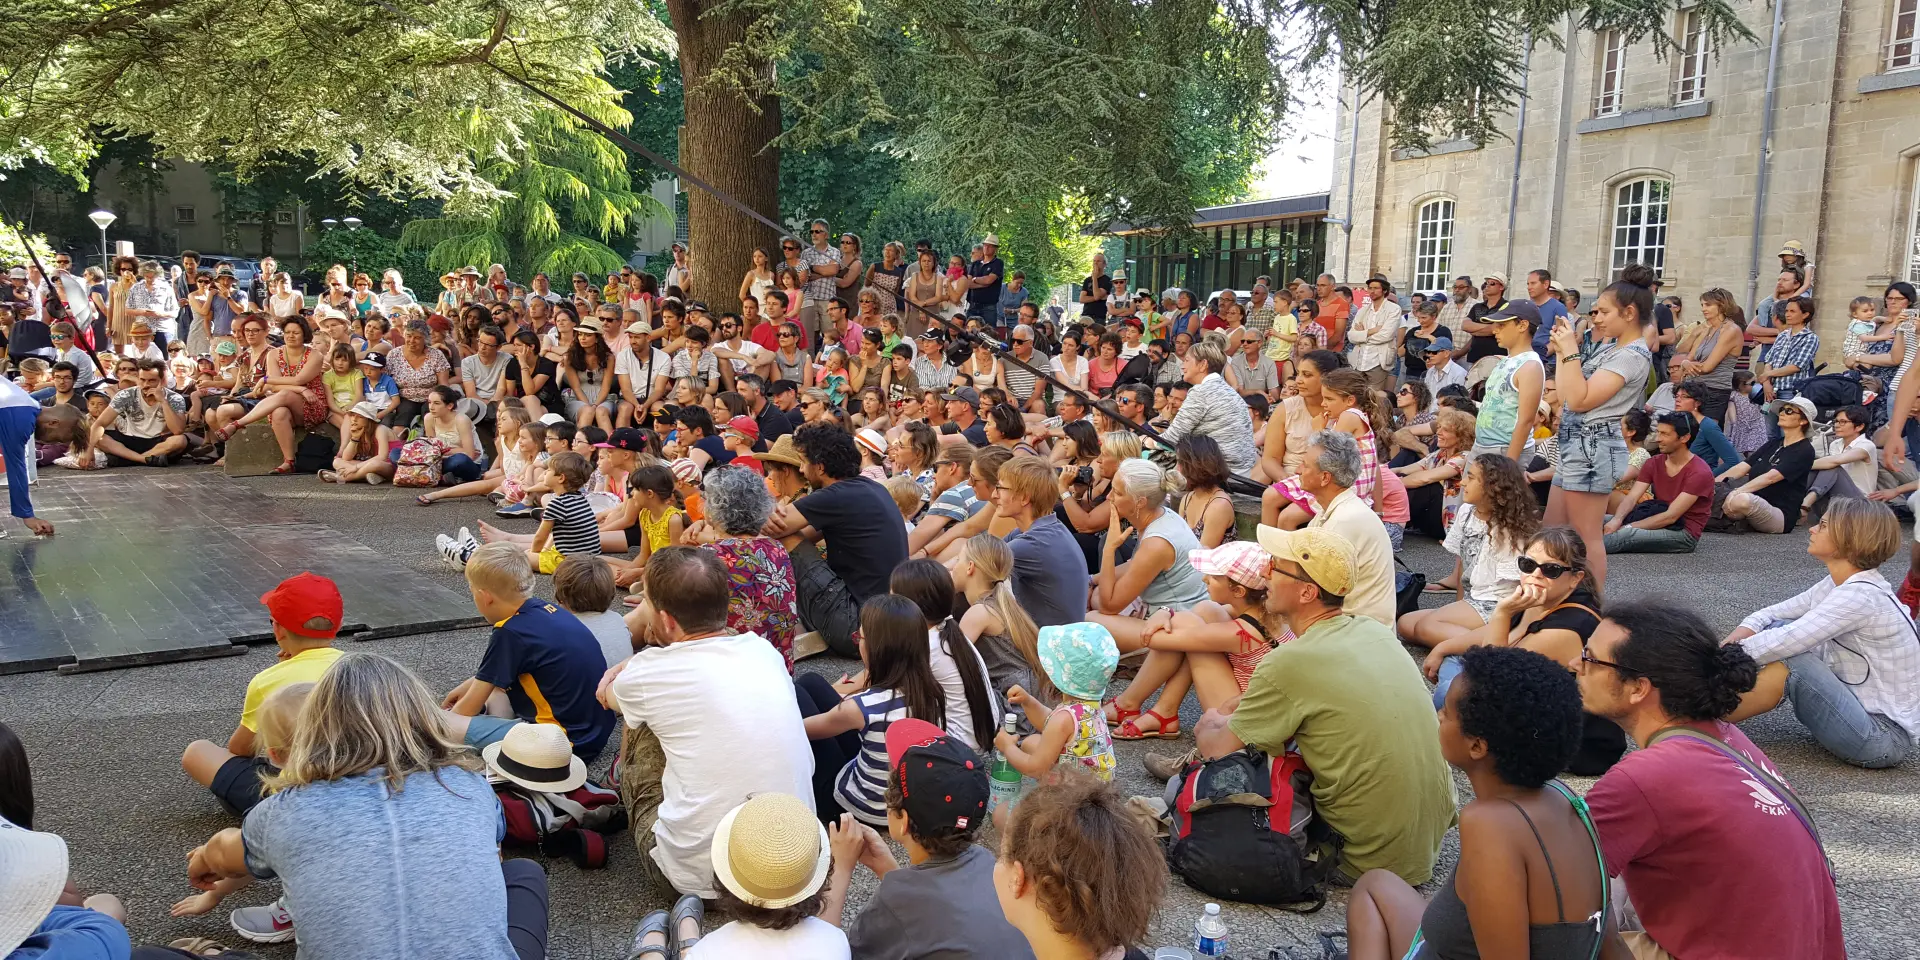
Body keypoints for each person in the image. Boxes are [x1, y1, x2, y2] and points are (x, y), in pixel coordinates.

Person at [184, 653, 550, 960]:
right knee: (523, 873)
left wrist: (204, 859)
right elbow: (491, 854)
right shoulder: (470, 787)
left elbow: (225, 853)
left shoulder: (282, 811)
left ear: (316, 727)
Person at [1575, 603, 1846, 960]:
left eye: (1590, 660)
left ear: (1639, 688)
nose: (1574, 665)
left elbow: (1553, 881)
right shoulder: (1724, 736)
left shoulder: (1643, 779)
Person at [1195, 526, 1456, 884]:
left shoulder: (1293, 661)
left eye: (1275, 566)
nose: (1264, 574)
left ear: (1307, 592)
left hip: (1362, 858)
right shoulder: (1373, 631)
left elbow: (1217, 750)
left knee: (1227, 754)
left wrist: (1209, 720)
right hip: (1421, 846)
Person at [1346, 646, 1614, 960]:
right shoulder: (1566, 798)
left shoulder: (1488, 824)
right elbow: (1608, 942)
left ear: (1476, 746)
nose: (1439, 717)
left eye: (1446, 712)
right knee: (1376, 885)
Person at [1723, 497, 1919, 768]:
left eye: (1824, 525)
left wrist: (1714, 660)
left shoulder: (1859, 596)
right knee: (1776, 631)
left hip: (1882, 739)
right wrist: (1730, 644)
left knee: (1793, 658)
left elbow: (1787, 642)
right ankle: (1708, 701)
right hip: (1858, 716)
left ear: (1849, 537)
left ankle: (1702, 716)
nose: (1812, 529)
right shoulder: (1841, 583)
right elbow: (1772, 615)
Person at [816, 718, 1036, 959]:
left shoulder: (895, 901)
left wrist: (841, 868)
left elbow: (827, 952)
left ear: (902, 821)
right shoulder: (991, 864)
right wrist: (887, 869)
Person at [180, 573, 346, 816]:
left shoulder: (267, 681)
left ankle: (268, 813)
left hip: (295, 793)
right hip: (359, 782)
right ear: (338, 626)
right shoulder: (359, 667)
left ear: (278, 630)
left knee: (198, 752)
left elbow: (240, 749)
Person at [443, 542, 616, 761]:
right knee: (498, 691)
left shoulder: (510, 632)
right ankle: (497, 739)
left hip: (560, 744)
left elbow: (464, 711)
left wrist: (450, 719)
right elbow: (493, 675)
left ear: (485, 596)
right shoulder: (546, 610)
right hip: (593, 737)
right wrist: (464, 689)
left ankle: (493, 739)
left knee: (442, 724)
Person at [804, 595, 965, 824]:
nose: (858, 642)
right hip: (904, 801)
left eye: (859, 637)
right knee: (812, 682)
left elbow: (803, 730)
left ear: (875, 649)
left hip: (864, 809)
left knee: (802, 694)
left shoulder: (862, 706)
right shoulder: (932, 692)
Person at [1545, 263, 1656, 590]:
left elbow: (1579, 400)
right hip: (1577, 442)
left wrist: (1569, 350)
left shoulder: (1630, 356)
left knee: (1585, 536)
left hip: (1595, 446)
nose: (1597, 318)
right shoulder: (1611, 349)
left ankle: (1590, 607)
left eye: (1604, 312)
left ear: (1630, 313)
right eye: (1595, 311)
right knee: (1552, 529)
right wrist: (1566, 353)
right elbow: (1566, 394)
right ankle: (1555, 599)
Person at [634, 793, 848, 959]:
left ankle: (672, 951)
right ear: (819, 879)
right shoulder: (835, 941)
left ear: (724, 881)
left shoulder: (711, 950)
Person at [1104, 541, 1276, 741]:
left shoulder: (1238, 633)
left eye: (1212, 577)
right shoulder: (1266, 611)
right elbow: (1199, 615)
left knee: (1186, 626)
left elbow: (1154, 641)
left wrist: (1161, 614)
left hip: (1242, 724)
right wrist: (1166, 611)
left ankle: (1129, 704)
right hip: (1257, 707)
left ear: (1238, 591)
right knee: (1205, 609)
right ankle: (1163, 712)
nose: (1204, 579)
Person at [765, 423, 909, 657]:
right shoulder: (869, 488)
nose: (801, 469)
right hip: (885, 623)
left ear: (820, 467)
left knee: (787, 536)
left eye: (803, 461)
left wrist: (706, 531)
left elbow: (775, 529)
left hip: (857, 627)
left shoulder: (834, 495)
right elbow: (808, 536)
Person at [1400, 453, 1538, 649]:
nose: (1463, 482)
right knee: (1406, 623)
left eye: (1471, 477)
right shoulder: (1466, 513)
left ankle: (1498, 648)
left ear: (1494, 487)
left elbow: (1514, 585)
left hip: (1497, 603)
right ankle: (1480, 639)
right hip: (1474, 599)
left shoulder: (1511, 526)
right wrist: (1458, 606)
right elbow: (1463, 567)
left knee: (1426, 626)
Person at [678, 465, 802, 667]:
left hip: (730, 673)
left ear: (716, 506)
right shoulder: (776, 549)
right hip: (776, 670)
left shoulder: (709, 558)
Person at [1086, 458, 1209, 653]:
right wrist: (1091, 580)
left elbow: (1109, 608)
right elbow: (1136, 564)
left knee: (1091, 619)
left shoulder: (1157, 543)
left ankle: (1153, 652)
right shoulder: (1162, 514)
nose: (1109, 496)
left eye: (1117, 492)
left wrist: (1109, 549)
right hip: (1173, 609)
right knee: (1097, 594)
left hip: (1177, 622)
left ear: (1140, 502)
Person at [992, 455, 1090, 628]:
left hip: (1049, 648)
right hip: (1054, 638)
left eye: (1000, 488)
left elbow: (975, 567)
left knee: (979, 609)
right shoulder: (1046, 528)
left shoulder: (1031, 544)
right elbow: (983, 549)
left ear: (1024, 498)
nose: (994, 494)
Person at [1604, 411, 1715, 554]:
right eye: (1658, 432)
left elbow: (1671, 516)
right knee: (1598, 520)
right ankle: (1570, 545)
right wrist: (1617, 520)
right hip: (1655, 517)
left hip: (1683, 532)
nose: (1657, 439)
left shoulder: (1700, 472)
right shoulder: (1654, 462)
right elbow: (1632, 498)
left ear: (1685, 437)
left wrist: (1628, 526)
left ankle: (1576, 553)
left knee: (1624, 535)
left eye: (1665, 434)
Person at [1157, 339, 1258, 476]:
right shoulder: (1227, 390)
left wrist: (1144, 440)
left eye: (1187, 360)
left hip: (1220, 475)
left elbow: (1170, 439)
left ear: (1203, 364)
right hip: (1240, 471)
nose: (1182, 366)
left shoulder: (1201, 392)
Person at [1719, 395, 1818, 534]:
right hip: (1756, 500)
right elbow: (1742, 467)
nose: (1782, 413)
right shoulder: (1774, 443)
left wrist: (1737, 491)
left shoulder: (1804, 450)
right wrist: (1712, 483)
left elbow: (1771, 478)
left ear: (1803, 421)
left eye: (1789, 411)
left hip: (1780, 516)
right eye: (1782, 410)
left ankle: (1732, 516)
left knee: (1741, 500)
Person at [1471, 298, 1544, 461]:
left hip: (1503, 450)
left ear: (1523, 325)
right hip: (1484, 446)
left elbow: (1526, 420)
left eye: (1502, 325)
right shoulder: (1506, 360)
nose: (1494, 330)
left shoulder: (1530, 366)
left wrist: (1509, 464)